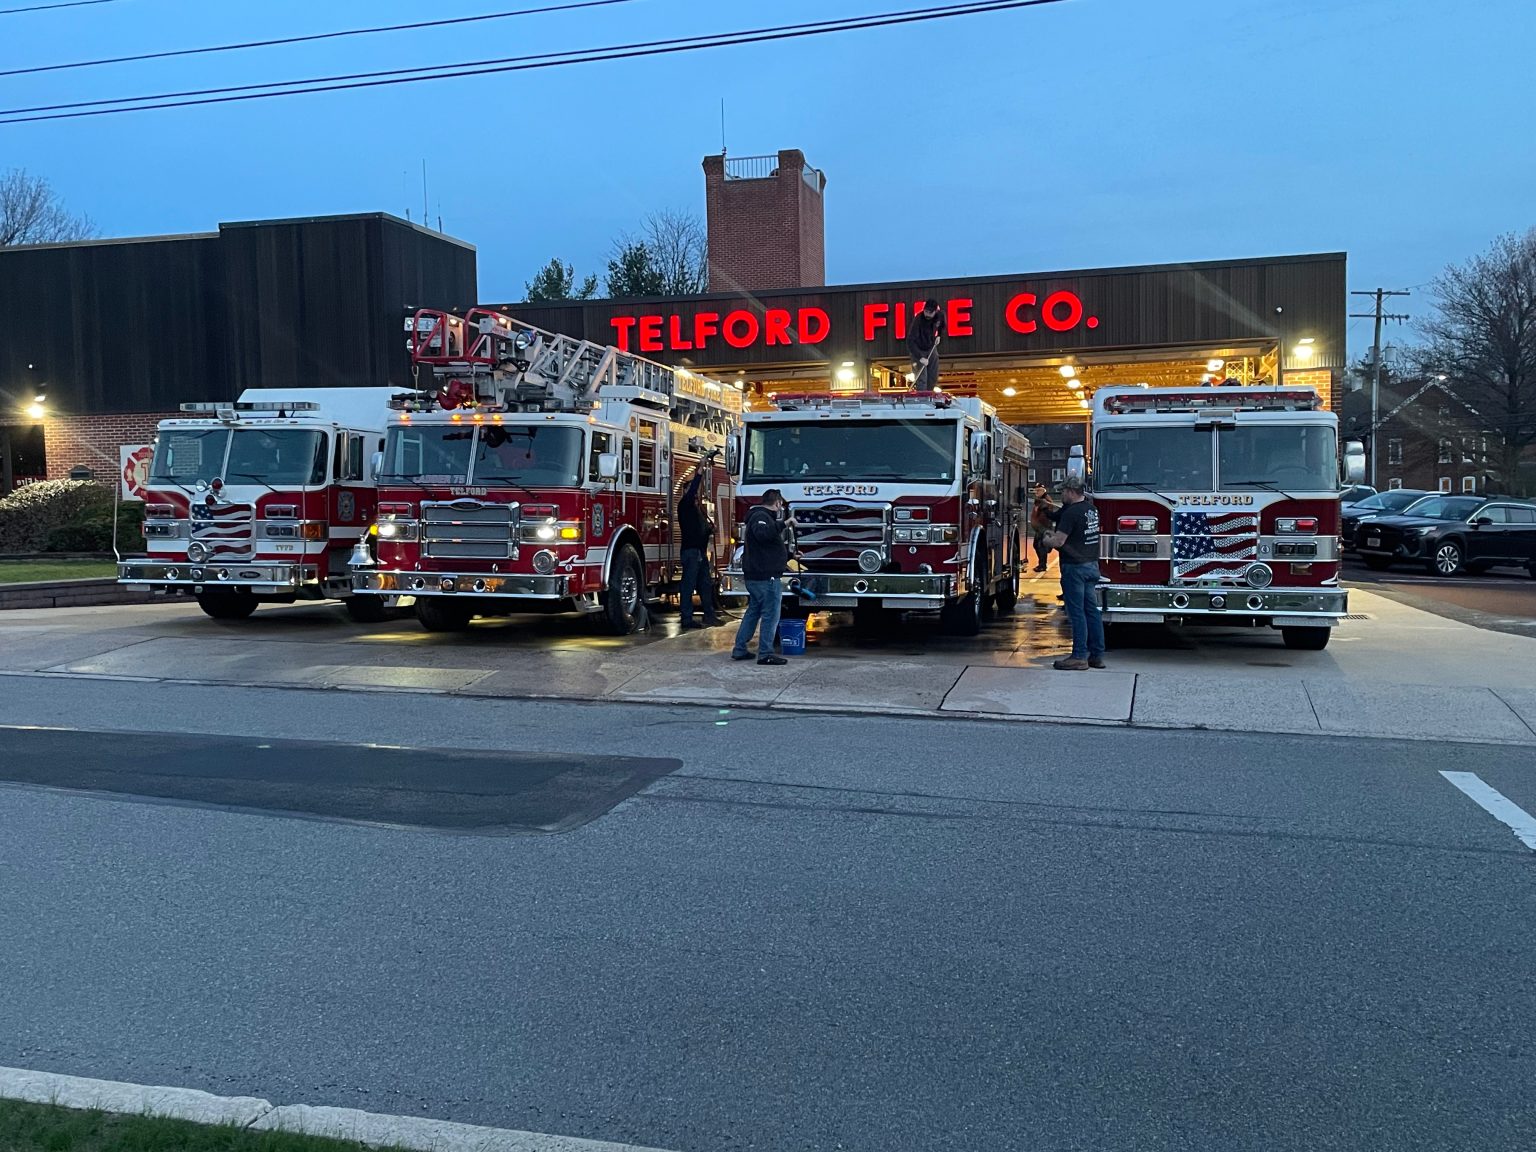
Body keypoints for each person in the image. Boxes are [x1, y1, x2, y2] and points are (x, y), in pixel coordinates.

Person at [1043, 475, 1105, 670]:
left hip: (1074, 568)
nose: (1061, 494)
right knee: (1092, 612)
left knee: (1076, 612)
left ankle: (1079, 656)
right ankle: (1096, 655)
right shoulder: (1091, 510)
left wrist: (1046, 540)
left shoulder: (1071, 513)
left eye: (1062, 491)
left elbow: (1060, 541)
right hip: (1091, 566)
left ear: (1071, 491)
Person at [731, 489, 792, 666]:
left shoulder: (759, 516)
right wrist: (784, 524)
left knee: (753, 612)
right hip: (766, 577)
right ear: (778, 503)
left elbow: (767, 546)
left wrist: (789, 556)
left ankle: (740, 649)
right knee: (770, 615)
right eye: (781, 504)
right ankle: (765, 653)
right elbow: (763, 535)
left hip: (757, 575)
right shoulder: (761, 517)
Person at [677, 452, 724, 630]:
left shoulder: (695, 510)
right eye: (692, 490)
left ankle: (709, 615)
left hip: (698, 552)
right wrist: (700, 471)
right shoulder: (685, 504)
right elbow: (693, 491)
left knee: (705, 584)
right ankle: (686, 618)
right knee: (688, 585)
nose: (695, 493)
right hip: (691, 552)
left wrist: (709, 530)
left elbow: (701, 528)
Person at [907, 299, 943, 391]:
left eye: (930, 313)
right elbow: (910, 341)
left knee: (933, 376)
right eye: (926, 311)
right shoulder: (918, 320)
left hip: (930, 347)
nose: (927, 315)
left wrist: (939, 335)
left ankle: (929, 395)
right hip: (918, 349)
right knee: (922, 378)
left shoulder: (940, 316)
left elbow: (942, 325)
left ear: (935, 312)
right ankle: (922, 399)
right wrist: (920, 357)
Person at [1030, 482, 1058, 572]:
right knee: (1036, 545)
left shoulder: (1046, 500)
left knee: (1041, 546)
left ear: (1043, 490)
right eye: (1035, 490)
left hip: (1044, 527)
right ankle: (1042, 563)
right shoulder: (1038, 500)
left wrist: (1043, 505)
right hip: (1038, 527)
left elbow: (1048, 511)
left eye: (1038, 490)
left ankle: (1042, 565)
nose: (1036, 492)